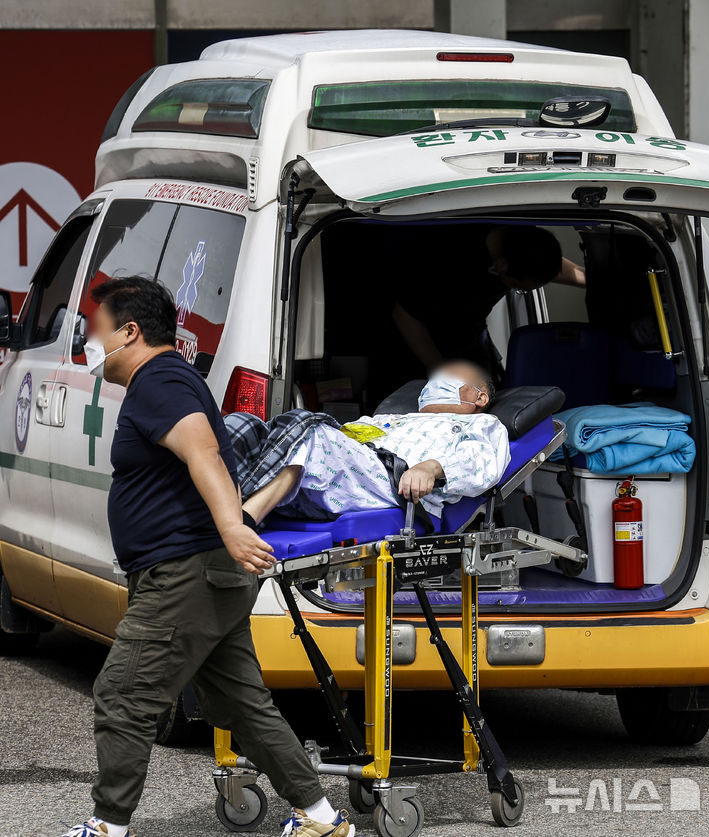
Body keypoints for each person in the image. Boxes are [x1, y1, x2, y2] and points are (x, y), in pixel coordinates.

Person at [61, 276, 356, 837]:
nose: (88, 343)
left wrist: (232, 526)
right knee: (242, 703)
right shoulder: (165, 380)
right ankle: (320, 818)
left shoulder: (161, 379)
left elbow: (203, 454)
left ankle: (106, 826)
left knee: (123, 695)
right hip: (198, 573)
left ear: (129, 331)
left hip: (187, 573)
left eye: (94, 329)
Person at [230, 361, 510, 526]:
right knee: (243, 425)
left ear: (480, 398)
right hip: (346, 470)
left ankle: (244, 521)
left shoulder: (483, 424)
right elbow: (346, 436)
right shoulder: (395, 418)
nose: (441, 377)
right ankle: (214, 511)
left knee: (312, 432)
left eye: (454, 375)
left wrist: (431, 468)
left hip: (396, 484)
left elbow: (481, 463)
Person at [391, 224, 586, 383]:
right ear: (501, 266)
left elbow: (550, 266)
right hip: (422, 343)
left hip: (472, 338)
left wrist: (591, 278)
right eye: (519, 288)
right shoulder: (450, 257)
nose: (520, 290)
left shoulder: (521, 244)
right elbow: (405, 313)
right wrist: (440, 368)